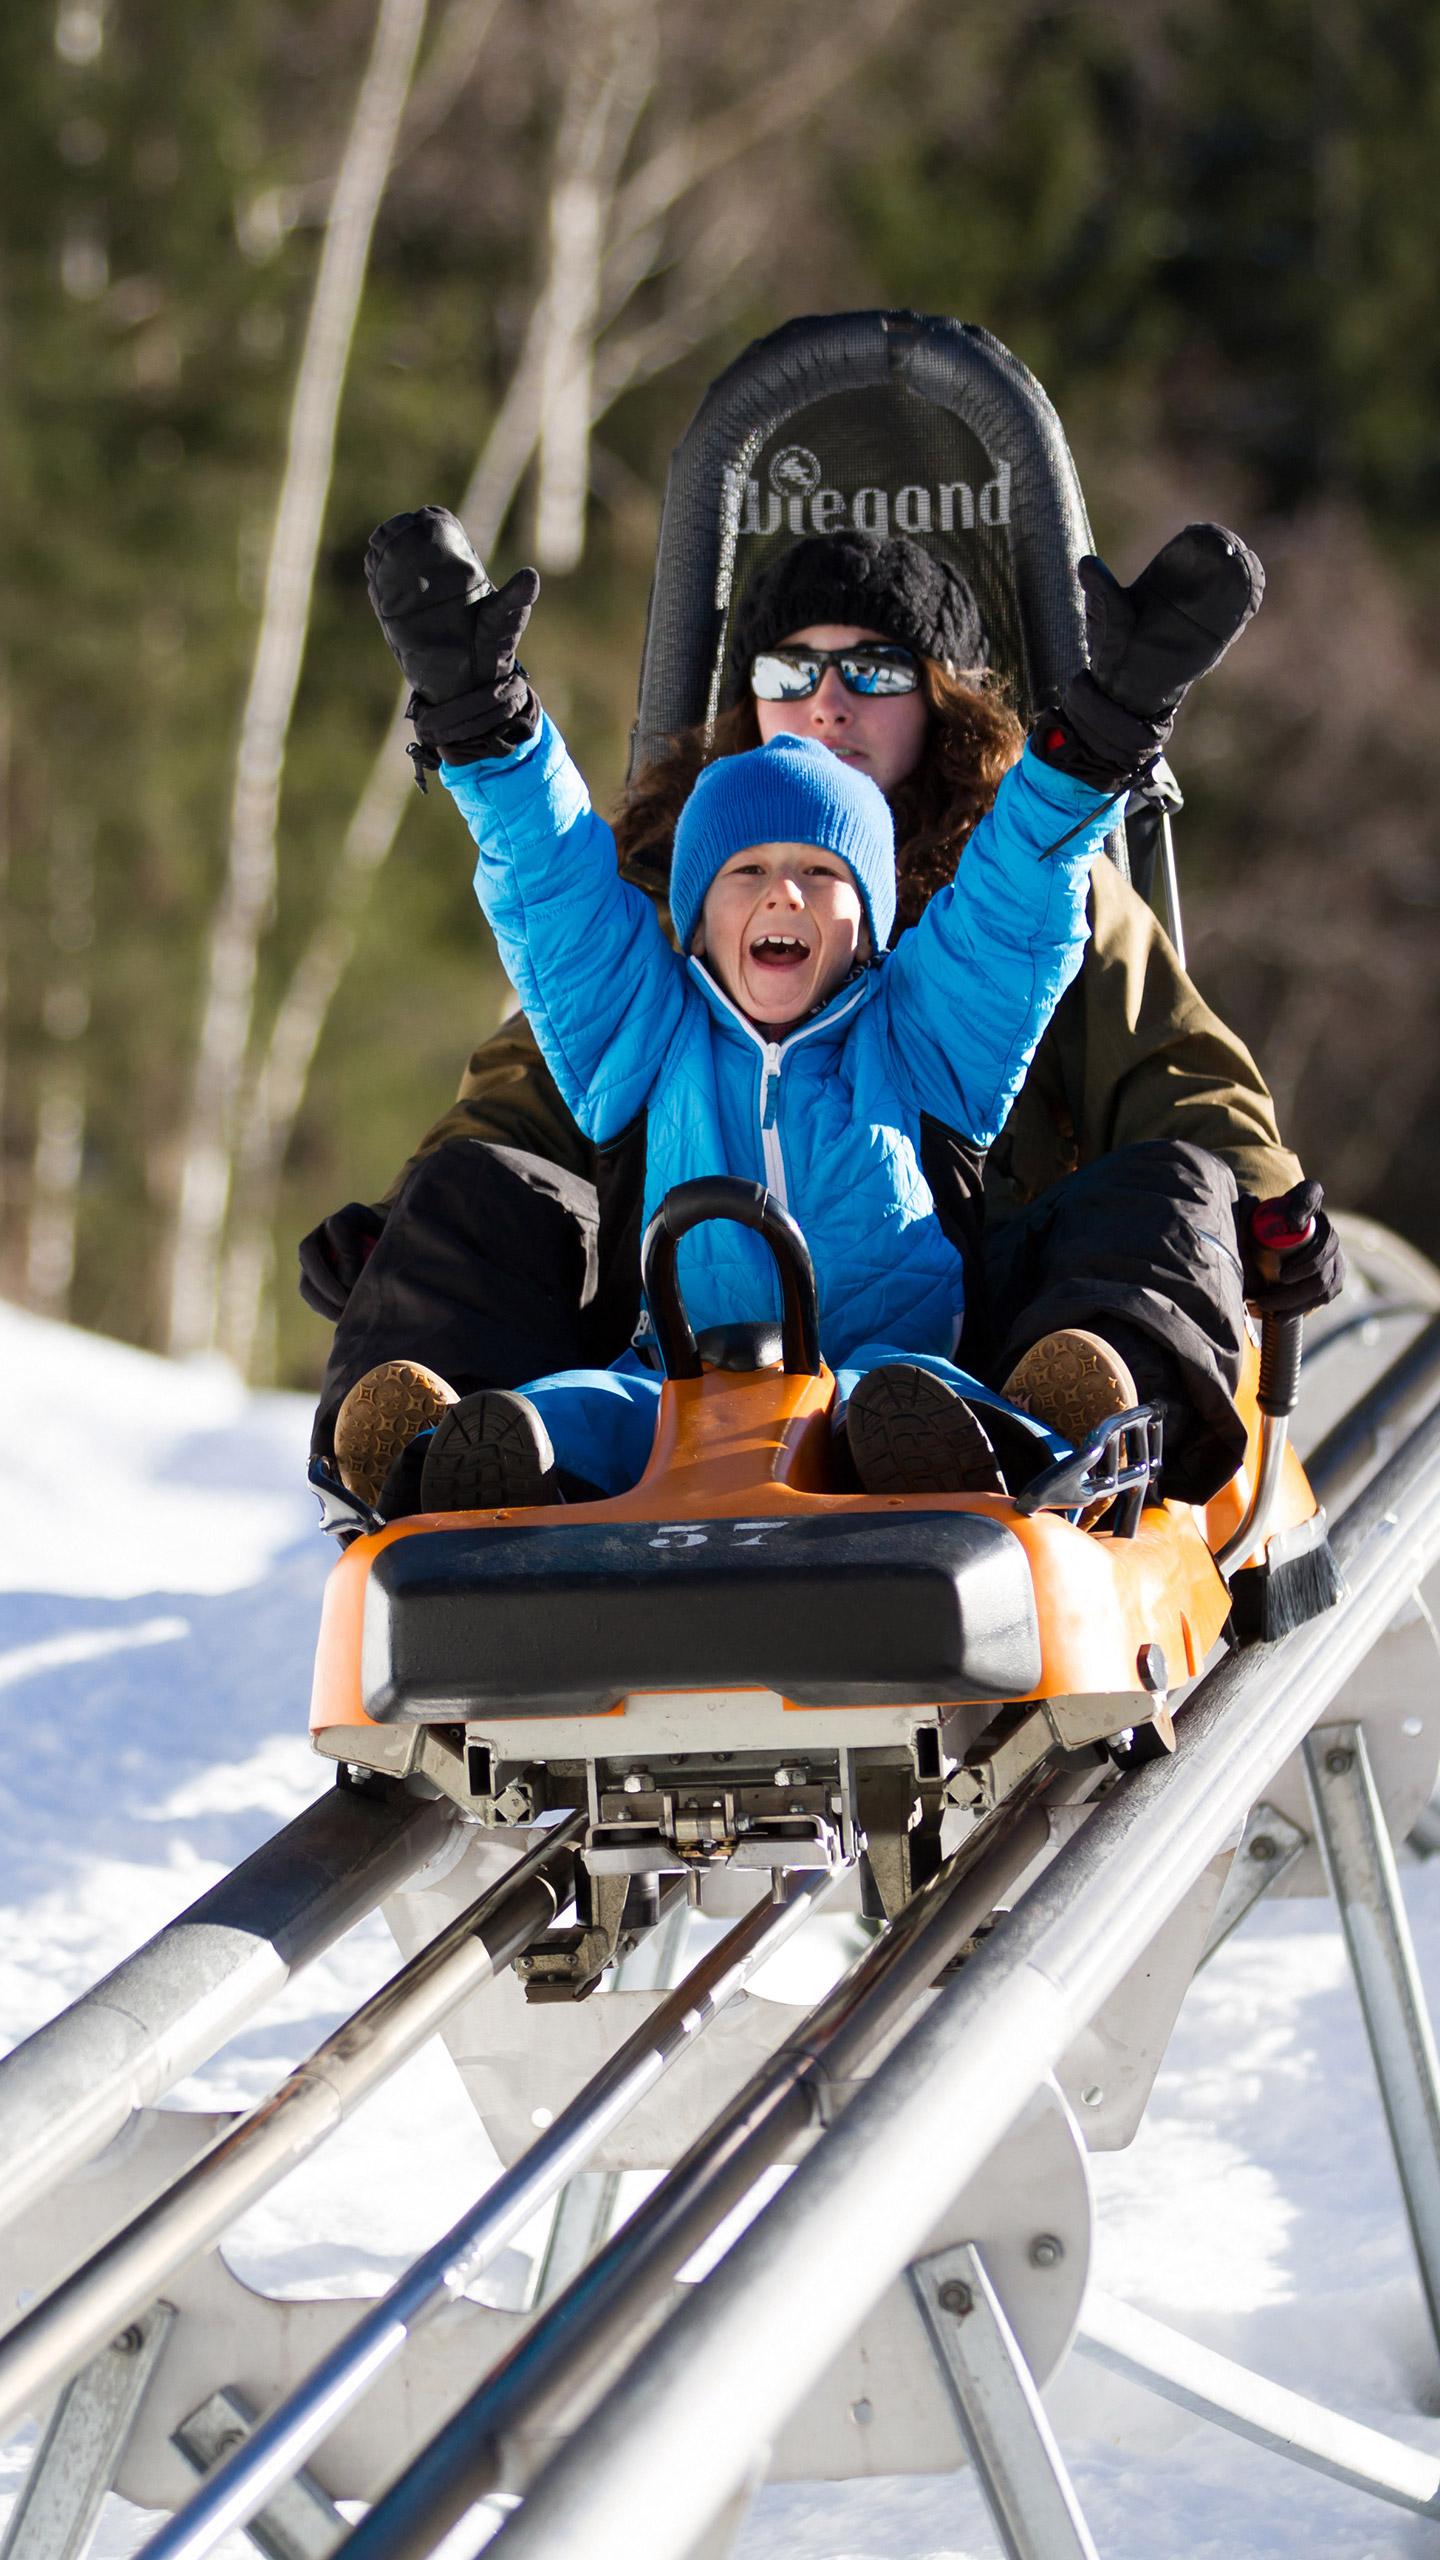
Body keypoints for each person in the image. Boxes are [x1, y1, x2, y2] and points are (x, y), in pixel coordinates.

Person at [319, 508, 1301, 1516]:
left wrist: (1108, 725)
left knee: (1165, 1192)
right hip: (677, 1362)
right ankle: (445, 1451)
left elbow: (1099, 983)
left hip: (959, 1335)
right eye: (792, 673)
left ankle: (1068, 1414)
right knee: (499, 1240)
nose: (828, 704)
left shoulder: (978, 960)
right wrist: (484, 724)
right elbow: (549, 904)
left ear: (942, 700)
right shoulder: (659, 926)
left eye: (874, 670)